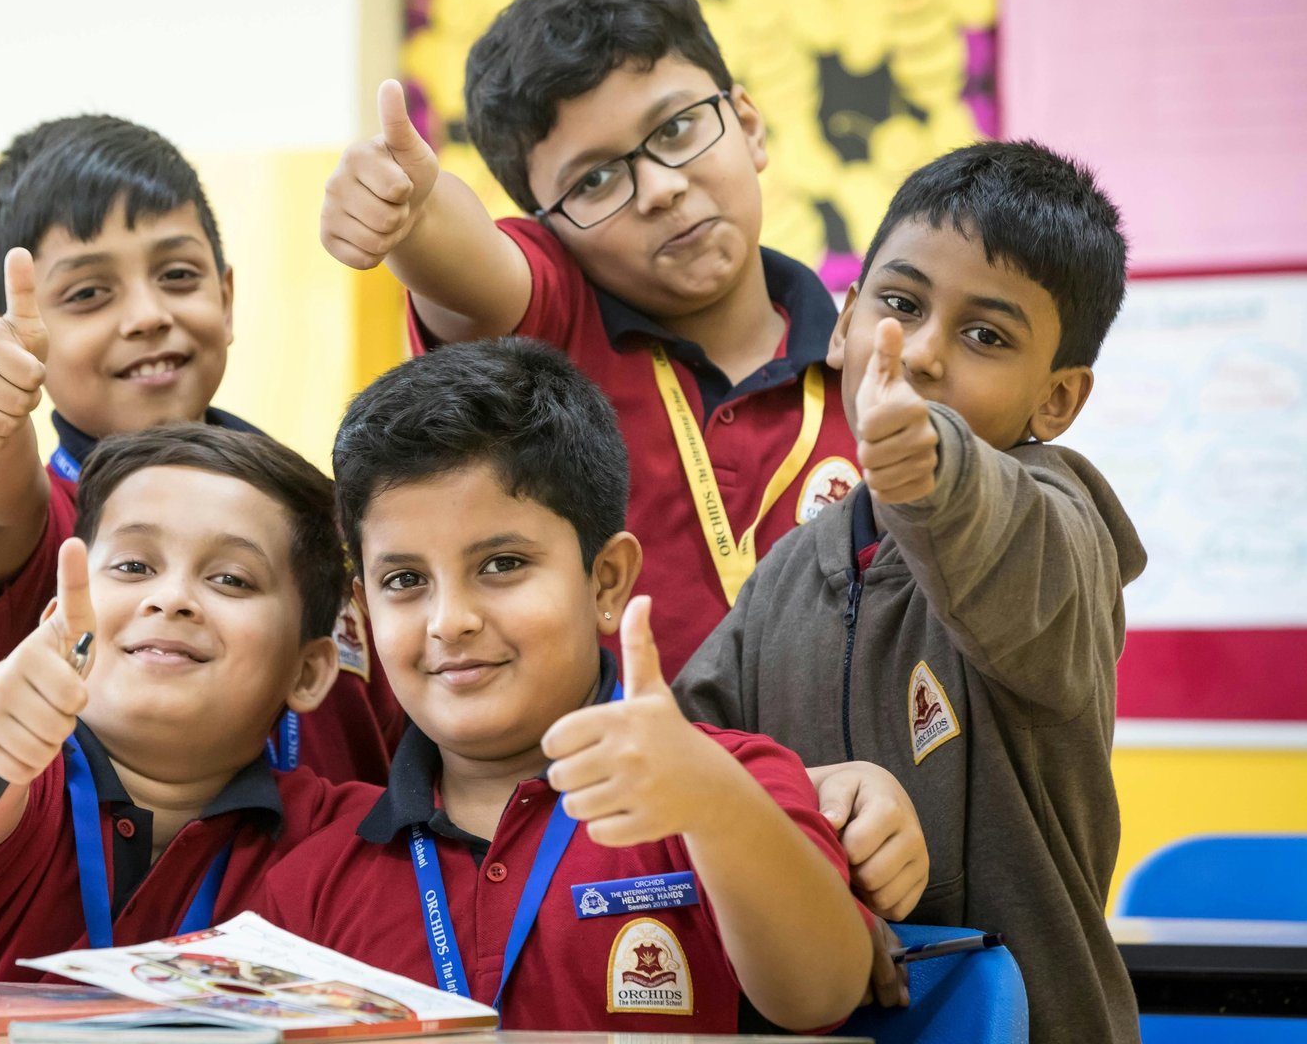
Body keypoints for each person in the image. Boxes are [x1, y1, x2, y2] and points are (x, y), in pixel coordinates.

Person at [257, 339, 877, 1033]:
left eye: (501, 563)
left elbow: (824, 991)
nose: (450, 621)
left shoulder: (732, 783)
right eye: (404, 581)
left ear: (605, 581)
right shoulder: (312, 882)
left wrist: (716, 807)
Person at [676, 141, 1145, 1041]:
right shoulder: (784, 576)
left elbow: (1000, 533)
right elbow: (703, 769)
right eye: (900, 304)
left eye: (986, 336)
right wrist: (804, 796)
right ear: (845, 324)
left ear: (1057, 401)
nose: (923, 354)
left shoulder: (1063, 534)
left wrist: (933, 468)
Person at [319, 0, 861, 678]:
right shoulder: (557, 323)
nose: (663, 189)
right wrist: (412, 215)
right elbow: (473, 268)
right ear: (551, 226)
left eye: (677, 129)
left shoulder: (874, 357)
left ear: (749, 125)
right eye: (595, 180)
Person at [0, 116, 398, 782]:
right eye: (89, 293)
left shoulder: (323, 513)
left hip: (334, 884)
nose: (147, 314)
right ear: (13, 337)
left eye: (177, 275)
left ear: (226, 299)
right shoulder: (38, 525)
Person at [0, 426, 366, 980]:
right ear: (57, 627)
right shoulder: (21, 784)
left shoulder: (344, 841)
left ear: (307, 672)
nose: (171, 599)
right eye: (134, 567)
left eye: (231, 579)